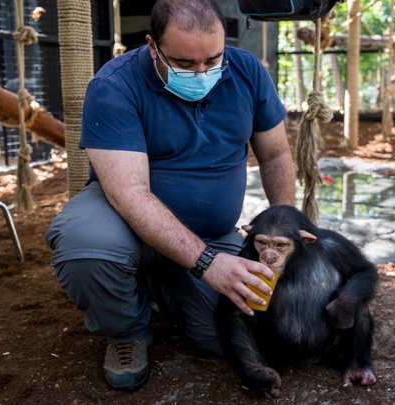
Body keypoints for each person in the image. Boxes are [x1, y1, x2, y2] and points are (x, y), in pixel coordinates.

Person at [45, 0, 296, 391]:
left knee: (240, 336)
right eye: (184, 63)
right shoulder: (114, 86)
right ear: (152, 46)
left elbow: (277, 154)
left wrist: (287, 231)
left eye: (213, 59)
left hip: (210, 233)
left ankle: (166, 283)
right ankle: (127, 331)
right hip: (124, 220)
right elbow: (129, 194)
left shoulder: (247, 71)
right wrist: (210, 265)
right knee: (87, 248)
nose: (201, 72)